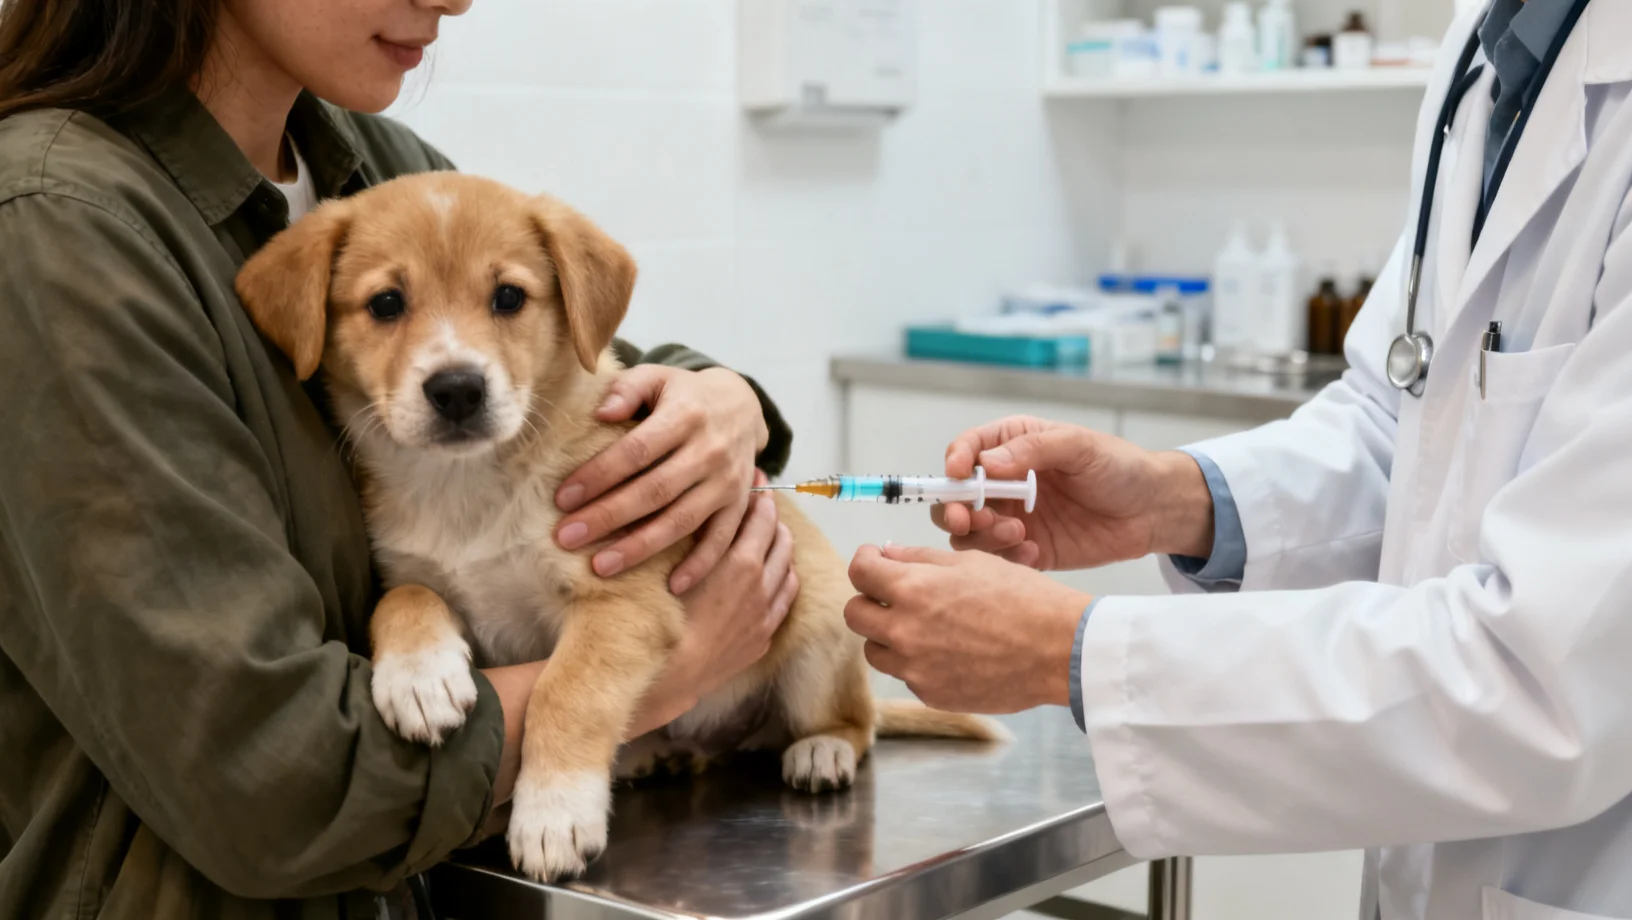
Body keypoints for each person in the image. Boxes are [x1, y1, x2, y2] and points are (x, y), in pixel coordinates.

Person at [0, 0, 799, 917]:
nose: (454, 0)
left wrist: (723, 396)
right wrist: (676, 673)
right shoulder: (58, 227)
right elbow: (267, 785)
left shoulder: (364, 159)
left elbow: (563, 368)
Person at [845, 2, 1632, 917]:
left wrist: (1067, 649)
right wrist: (1176, 499)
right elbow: (1404, 427)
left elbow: (1542, 682)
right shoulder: (1493, 46)